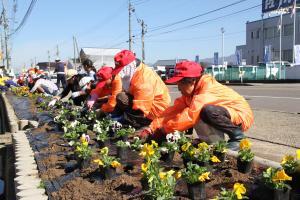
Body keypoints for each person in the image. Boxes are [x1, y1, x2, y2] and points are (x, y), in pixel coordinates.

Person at [138, 61, 254, 150]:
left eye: (180, 83)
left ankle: (238, 138)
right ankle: (210, 143)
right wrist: (151, 129)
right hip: (226, 113)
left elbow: (190, 116)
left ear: (192, 81)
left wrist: (164, 130)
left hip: (241, 115)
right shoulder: (191, 93)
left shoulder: (207, 89)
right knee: (198, 111)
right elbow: (171, 112)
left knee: (205, 111)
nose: (178, 87)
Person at [111, 50, 171, 129]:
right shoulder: (135, 72)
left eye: (122, 69)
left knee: (123, 103)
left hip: (155, 111)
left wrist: (122, 120)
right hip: (144, 103)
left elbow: (142, 110)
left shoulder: (143, 80)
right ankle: (128, 119)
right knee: (121, 97)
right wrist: (114, 116)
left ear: (129, 66)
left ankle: (143, 124)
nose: (120, 73)